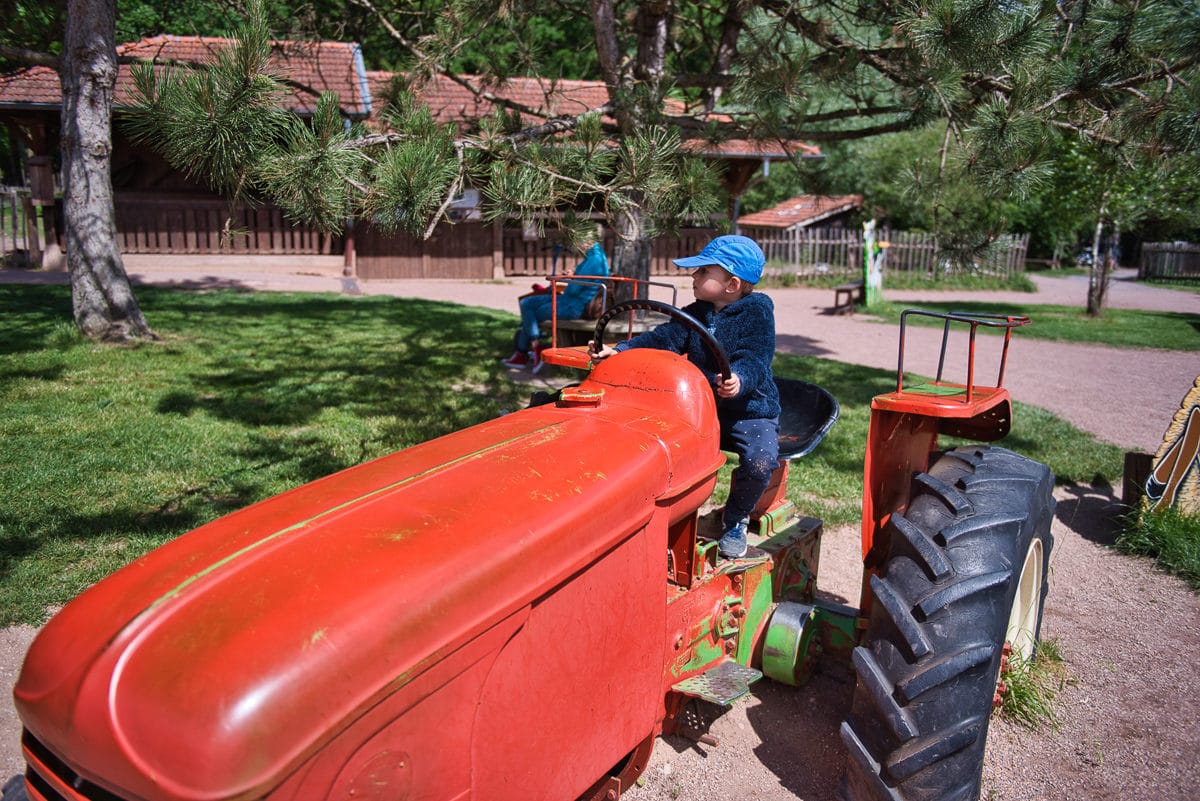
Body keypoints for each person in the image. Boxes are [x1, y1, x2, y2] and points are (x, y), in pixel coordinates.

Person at [589, 234, 780, 559]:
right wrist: (619, 350)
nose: (694, 276)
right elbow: (663, 337)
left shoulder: (758, 313)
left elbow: (756, 358)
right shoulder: (697, 312)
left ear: (732, 284)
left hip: (749, 409)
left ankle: (735, 518)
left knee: (760, 461)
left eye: (704, 271)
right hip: (702, 405)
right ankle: (661, 512)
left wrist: (740, 380)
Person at [502, 233, 610, 373]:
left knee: (531, 312)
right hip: (567, 300)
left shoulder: (595, 259)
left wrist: (568, 278)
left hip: (574, 306)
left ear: (588, 240)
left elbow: (573, 290)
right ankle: (533, 347)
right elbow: (578, 280)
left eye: (578, 240)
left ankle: (524, 352)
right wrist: (572, 275)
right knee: (526, 303)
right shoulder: (592, 256)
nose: (576, 245)